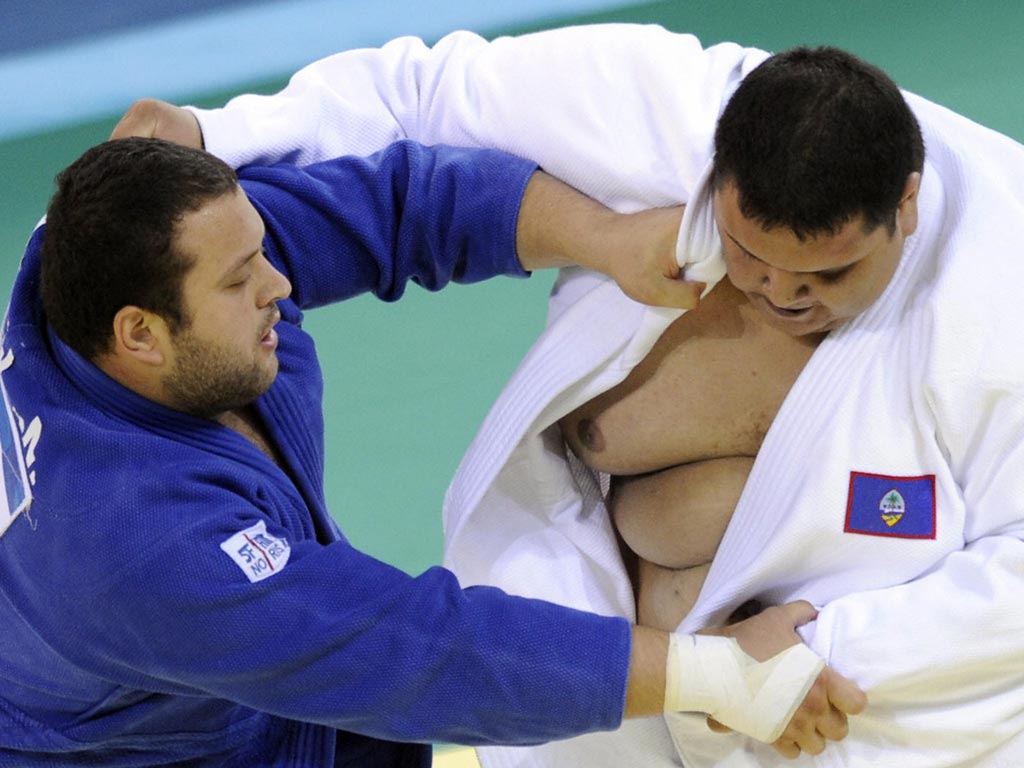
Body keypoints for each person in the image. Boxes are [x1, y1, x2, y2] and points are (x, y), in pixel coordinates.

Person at [113, 21, 1024, 768]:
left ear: (905, 205)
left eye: (826, 273)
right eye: (750, 253)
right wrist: (214, 135)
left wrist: (823, 657)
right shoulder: (672, 109)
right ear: (718, 171)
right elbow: (428, 93)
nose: (783, 293)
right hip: (584, 660)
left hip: (852, 714)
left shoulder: (999, 292)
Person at [0, 134, 859, 767]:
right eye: (240, 282)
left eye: (261, 250)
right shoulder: (140, 551)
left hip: (263, 696)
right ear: (140, 335)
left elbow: (395, 206)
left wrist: (601, 237)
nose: (281, 284)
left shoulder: (105, 257)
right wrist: (715, 676)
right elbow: (416, 649)